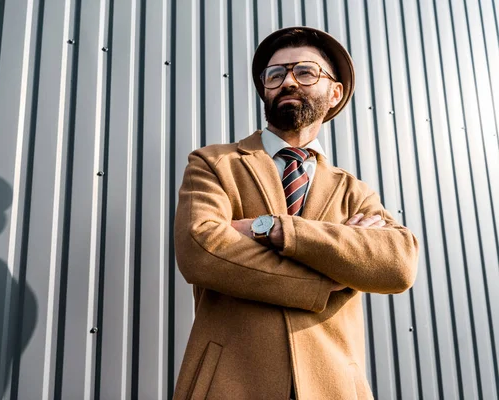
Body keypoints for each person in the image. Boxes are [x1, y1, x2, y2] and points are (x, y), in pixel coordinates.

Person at [173, 26, 419, 399]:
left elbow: (398, 263)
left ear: (334, 92)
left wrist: (274, 228)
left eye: (305, 72)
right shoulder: (214, 163)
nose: (288, 81)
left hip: (333, 387)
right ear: (265, 90)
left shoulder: (354, 192)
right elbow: (201, 248)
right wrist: (328, 276)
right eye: (276, 75)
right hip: (229, 383)